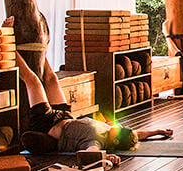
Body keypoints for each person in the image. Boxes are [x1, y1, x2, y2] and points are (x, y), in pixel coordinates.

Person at [13, 38, 171, 155]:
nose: (116, 127)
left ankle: (9, 46)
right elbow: (136, 134)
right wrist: (157, 131)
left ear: (115, 140)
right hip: (65, 115)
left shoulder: (96, 142)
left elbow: (90, 153)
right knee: (52, 79)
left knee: (33, 81)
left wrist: (106, 159)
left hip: (46, 123)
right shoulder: (111, 131)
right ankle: (39, 45)